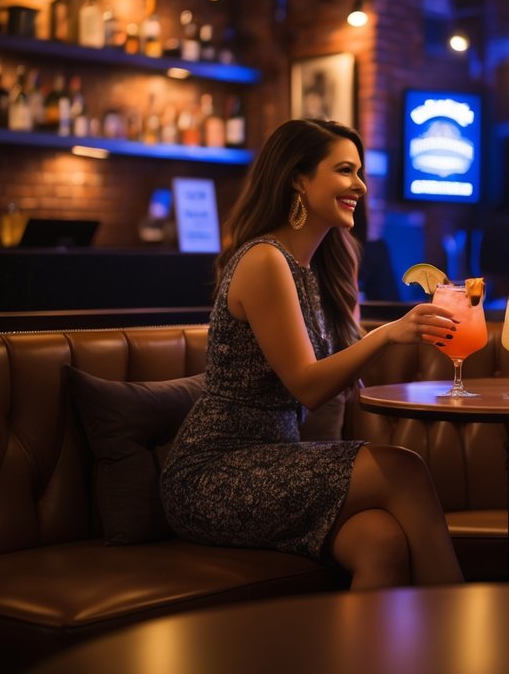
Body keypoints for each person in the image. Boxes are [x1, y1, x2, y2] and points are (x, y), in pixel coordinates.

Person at [161, 118, 463, 589]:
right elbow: (308, 385)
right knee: (404, 469)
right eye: (345, 171)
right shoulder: (265, 260)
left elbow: (339, 392)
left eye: (360, 172)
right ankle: (463, 631)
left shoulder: (324, 270)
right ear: (298, 179)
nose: (359, 185)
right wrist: (385, 335)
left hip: (277, 462)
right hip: (215, 472)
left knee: (380, 540)